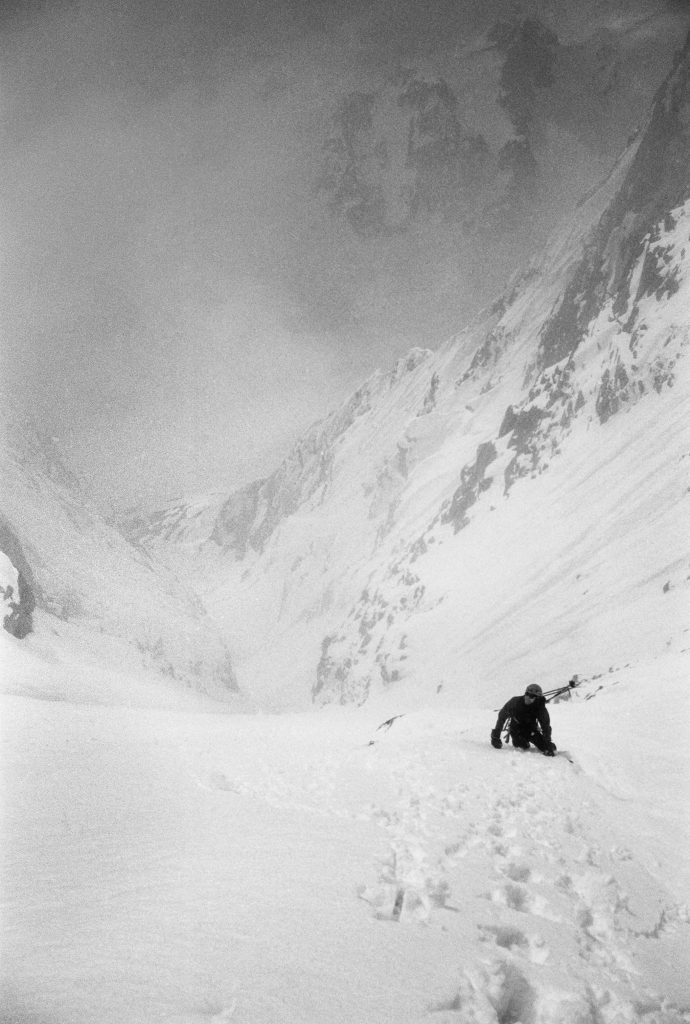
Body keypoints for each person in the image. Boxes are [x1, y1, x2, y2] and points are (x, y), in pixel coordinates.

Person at [490, 683, 557, 756]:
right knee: (522, 746)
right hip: (516, 729)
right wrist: (496, 736)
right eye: (530, 696)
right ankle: (524, 743)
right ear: (526, 694)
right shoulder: (514, 702)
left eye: (536, 697)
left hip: (531, 729)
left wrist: (547, 741)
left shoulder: (539, 707)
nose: (532, 699)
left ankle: (547, 745)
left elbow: (545, 724)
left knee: (545, 746)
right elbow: (502, 716)